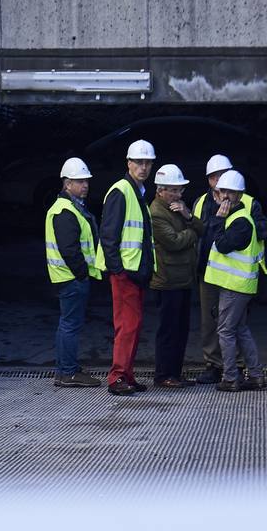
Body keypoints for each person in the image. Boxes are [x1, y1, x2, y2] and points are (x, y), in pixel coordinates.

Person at [192, 155, 267, 384]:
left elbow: (228, 242)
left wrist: (231, 223)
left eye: (223, 176)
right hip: (212, 271)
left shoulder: (246, 205)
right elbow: (198, 233)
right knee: (218, 323)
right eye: (214, 177)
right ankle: (217, 365)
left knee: (227, 328)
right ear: (209, 180)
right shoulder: (201, 202)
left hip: (234, 278)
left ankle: (232, 373)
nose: (219, 184)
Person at [99, 139, 157, 396]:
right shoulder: (121, 191)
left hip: (134, 272)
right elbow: (108, 235)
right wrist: (118, 270)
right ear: (129, 163)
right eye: (139, 162)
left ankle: (127, 374)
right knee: (127, 325)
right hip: (125, 273)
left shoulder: (137, 193)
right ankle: (117, 377)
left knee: (132, 324)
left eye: (147, 163)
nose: (143, 167)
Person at [44, 157, 103, 389]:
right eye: (79, 181)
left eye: (86, 181)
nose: (85, 185)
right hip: (71, 278)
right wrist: (82, 274)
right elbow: (70, 250)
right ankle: (67, 372)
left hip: (68, 277)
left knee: (66, 323)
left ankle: (65, 369)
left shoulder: (70, 207)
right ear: (67, 184)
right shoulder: (65, 211)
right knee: (70, 324)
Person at [148, 164, 202, 388]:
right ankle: (163, 375)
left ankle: (175, 373)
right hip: (167, 281)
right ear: (161, 191)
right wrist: (192, 232)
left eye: (180, 190)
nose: (179, 194)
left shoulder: (177, 207)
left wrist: (188, 214)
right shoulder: (157, 213)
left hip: (183, 279)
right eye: (174, 190)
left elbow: (202, 228)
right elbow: (174, 242)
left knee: (181, 330)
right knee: (169, 331)